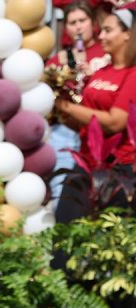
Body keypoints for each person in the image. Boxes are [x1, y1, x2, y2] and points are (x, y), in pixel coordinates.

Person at [54, 5, 136, 220]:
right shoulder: (101, 72)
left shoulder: (133, 74)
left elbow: (115, 123)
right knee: (65, 229)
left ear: (128, 34)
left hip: (118, 169)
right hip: (84, 162)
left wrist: (67, 107)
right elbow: (87, 121)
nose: (101, 36)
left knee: (107, 241)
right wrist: (61, 110)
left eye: (108, 30)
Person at [48, 3, 108, 205]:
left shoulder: (107, 52)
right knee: (63, 191)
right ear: (66, 28)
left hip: (99, 131)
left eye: (83, 21)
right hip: (66, 131)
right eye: (72, 23)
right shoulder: (59, 59)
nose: (78, 27)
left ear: (93, 23)